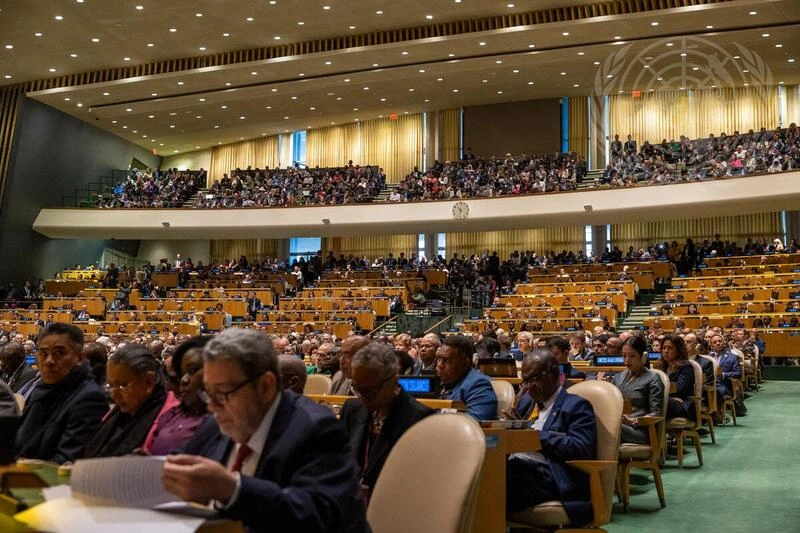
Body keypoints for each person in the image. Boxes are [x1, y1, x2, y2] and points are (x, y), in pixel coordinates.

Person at [161, 329, 369, 533]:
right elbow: (184, 460)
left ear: (265, 387)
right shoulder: (218, 421)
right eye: (208, 393)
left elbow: (317, 516)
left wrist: (234, 490)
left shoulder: (316, 429)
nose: (212, 405)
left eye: (223, 393)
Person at [505, 349, 597, 527]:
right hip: (518, 468)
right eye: (526, 380)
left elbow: (581, 447)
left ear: (554, 374)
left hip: (551, 477)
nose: (529, 386)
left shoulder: (576, 405)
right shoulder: (526, 403)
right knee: (482, 472)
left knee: (495, 481)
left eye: (534, 379)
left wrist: (534, 436)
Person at [341, 343, 433, 502]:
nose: (362, 398)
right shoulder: (352, 409)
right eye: (357, 389)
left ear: (393, 380)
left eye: (369, 392)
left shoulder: (419, 419)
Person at [14, 323, 108, 463]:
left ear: (80, 358)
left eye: (59, 353)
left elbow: (67, 462)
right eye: (43, 353)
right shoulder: (43, 389)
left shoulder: (90, 398)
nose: (49, 361)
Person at [82, 344, 168, 458]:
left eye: (123, 385)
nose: (114, 395)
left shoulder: (168, 418)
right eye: (111, 386)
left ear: (148, 381)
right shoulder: (116, 413)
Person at [145, 336, 212, 455]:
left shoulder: (221, 421)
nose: (184, 380)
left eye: (192, 371)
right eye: (182, 374)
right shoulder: (172, 413)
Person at [612, 336, 665, 444]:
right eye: (624, 356)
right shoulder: (617, 377)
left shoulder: (653, 378)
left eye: (632, 356)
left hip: (642, 430)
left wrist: (633, 421)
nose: (627, 360)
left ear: (643, 356)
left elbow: (656, 413)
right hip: (618, 425)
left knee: (612, 429)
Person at [436, 334, 497, 420]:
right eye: (439, 359)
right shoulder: (441, 382)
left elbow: (473, 423)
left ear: (465, 363)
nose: (439, 365)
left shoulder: (478, 385)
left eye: (447, 361)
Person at [657, 334, 696, 421]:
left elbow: (680, 388)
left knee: (659, 402)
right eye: (664, 348)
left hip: (683, 404)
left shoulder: (686, 366)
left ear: (679, 350)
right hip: (667, 400)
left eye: (670, 348)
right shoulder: (660, 366)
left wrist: (667, 397)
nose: (666, 351)